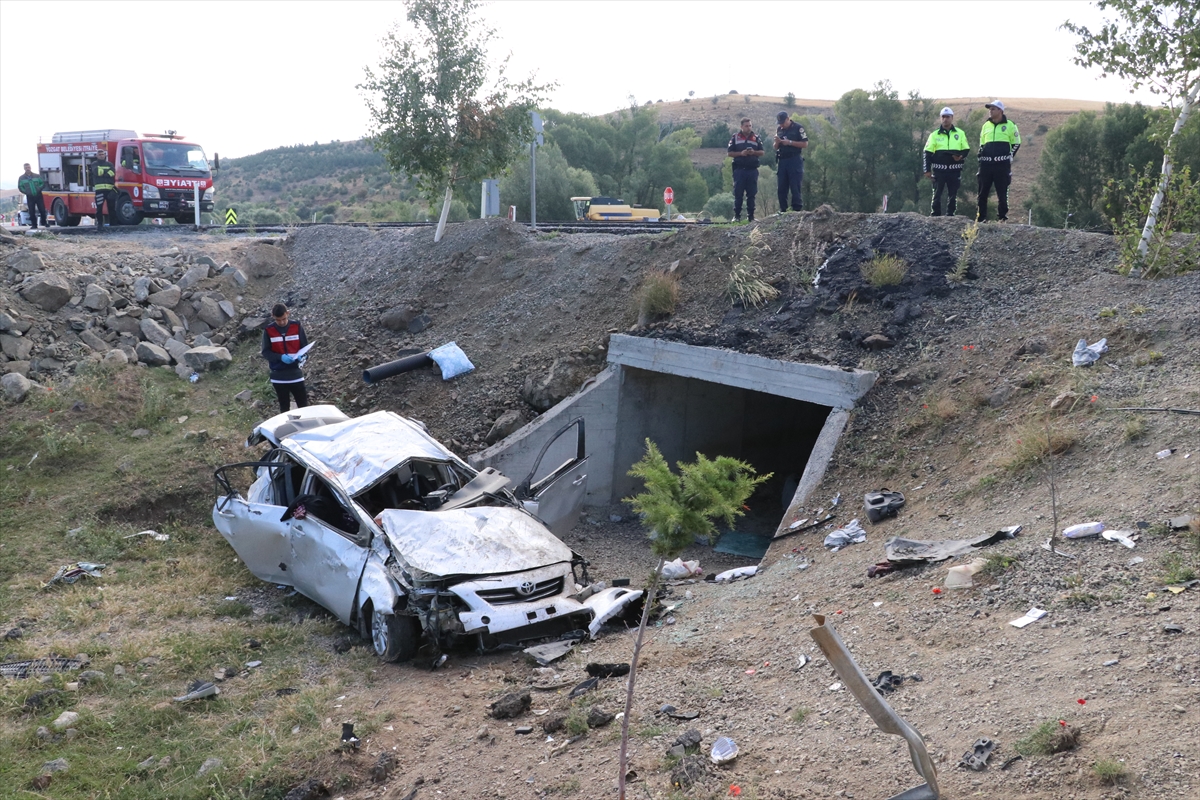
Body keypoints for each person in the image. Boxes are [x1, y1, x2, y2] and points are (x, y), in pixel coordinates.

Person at [976, 100, 1021, 222]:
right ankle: (981, 218)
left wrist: (1010, 156)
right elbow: (982, 143)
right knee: (982, 192)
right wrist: (980, 154)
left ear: (1000, 111)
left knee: (1002, 192)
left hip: (1002, 165)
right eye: (990, 109)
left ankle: (1002, 218)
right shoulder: (985, 125)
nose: (990, 111)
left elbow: (1016, 142)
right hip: (986, 164)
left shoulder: (1010, 125)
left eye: (993, 109)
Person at [262, 303, 310, 413]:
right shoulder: (269, 330)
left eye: (284, 319)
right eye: (278, 320)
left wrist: (302, 357)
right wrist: (280, 357)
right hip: (278, 376)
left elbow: (305, 349)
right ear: (273, 316)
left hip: (296, 374)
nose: (282, 322)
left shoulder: (296, 326)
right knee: (284, 409)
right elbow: (266, 352)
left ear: (288, 313)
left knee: (304, 407)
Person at [922, 108, 971, 217]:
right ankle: (935, 214)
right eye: (943, 117)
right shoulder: (934, 135)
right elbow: (927, 153)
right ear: (941, 118)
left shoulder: (960, 133)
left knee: (953, 193)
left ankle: (950, 214)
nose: (945, 119)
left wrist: (961, 156)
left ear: (952, 118)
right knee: (937, 193)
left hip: (954, 169)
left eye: (947, 117)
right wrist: (927, 169)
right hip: (939, 170)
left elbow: (966, 149)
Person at [727, 118, 765, 222]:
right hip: (739, 170)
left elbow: (762, 152)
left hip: (752, 170)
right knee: (738, 194)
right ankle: (737, 216)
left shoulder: (756, 137)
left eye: (750, 126)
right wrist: (741, 153)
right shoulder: (735, 138)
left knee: (751, 194)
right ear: (741, 127)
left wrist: (754, 152)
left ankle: (751, 216)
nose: (748, 128)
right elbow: (729, 153)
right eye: (746, 126)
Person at [774, 111, 808, 212]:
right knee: (781, 186)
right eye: (780, 123)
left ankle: (796, 209)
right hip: (782, 160)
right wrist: (777, 142)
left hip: (794, 159)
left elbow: (805, 144)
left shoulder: (798, 128)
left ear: (788, 119)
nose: (781, 125)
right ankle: (782, 209)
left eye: (783, 122)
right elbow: (775, 147)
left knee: (795, 186)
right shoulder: (779, 129)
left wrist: (789, 142)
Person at [90, 150, 117, 228]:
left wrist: (103, 172)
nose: (101, 156)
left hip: (110, 190)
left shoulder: (110, 164)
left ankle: (113, 225)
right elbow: (97, 172)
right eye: (100, 154)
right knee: (99, 209)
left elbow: (112, 173)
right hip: (100, 190)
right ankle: (100, 225)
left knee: (112, 208)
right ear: (97, 156)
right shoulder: (94, 164)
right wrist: (107, 173)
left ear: (105, 155)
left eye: (103, 154)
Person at [18, 164, 47, 229]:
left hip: (38, 195)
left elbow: (42, 183)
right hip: (30, 196)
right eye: (26, 167)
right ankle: (34, 225)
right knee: (31, 211)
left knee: (42, 209)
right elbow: (20, 187)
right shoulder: (21, 178)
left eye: (28, 167)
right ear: (24, 168)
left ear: (30, 167)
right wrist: (26, 192)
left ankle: (44, 222)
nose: (27, 168)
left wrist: (39, 189)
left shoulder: (37, 176)